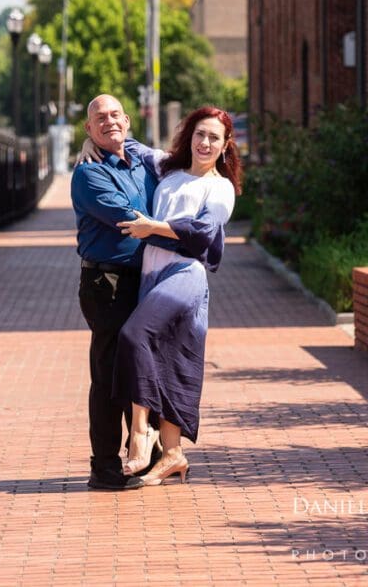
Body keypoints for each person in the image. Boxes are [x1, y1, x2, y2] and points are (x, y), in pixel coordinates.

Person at [82, 106, 241, 486]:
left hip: (185, 275)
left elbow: (203, 233)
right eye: (200, 134)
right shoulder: (168, 167)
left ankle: (140, 432)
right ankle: (172, 454)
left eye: (213, 138)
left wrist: (152, 226)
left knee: (134, 336)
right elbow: (124, 140)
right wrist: (91, 139)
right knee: (168, 361)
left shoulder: (220, 188)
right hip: (151, 276)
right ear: (189, 135)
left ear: (225, 146)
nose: (204, 143)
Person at [71, 94, 163, 491]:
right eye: (99, 119)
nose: (108, 122)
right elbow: (129, 220)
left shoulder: (142, 162)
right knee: (110, 375)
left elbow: (167, 157)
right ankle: (104, 466)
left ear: (127, 120)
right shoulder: (88, 173)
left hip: (144, 280)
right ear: (88, 130)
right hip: (106, 284)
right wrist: (180, 231)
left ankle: (146, 456)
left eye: (115, 116)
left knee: (145, 370)